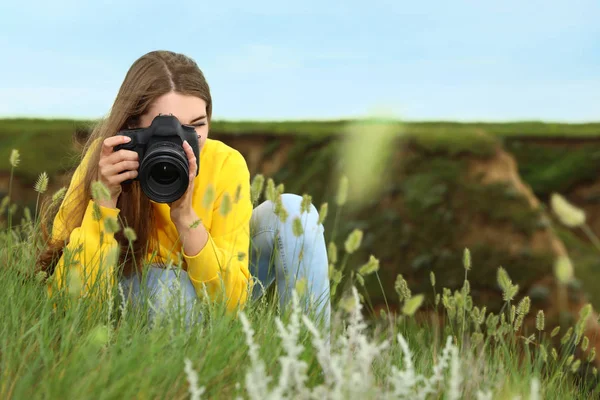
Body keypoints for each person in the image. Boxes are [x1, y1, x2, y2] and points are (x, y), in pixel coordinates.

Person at [36, 50, 330, 332]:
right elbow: (66, 307)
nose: (184, 143)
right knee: (164, 287)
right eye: (167, 129)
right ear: (132, 127)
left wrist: (186, 216)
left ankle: (311, 360)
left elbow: (233, 303)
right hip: (140, 302)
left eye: (196, 126)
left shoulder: (225, 164)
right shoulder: (104, 164)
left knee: (294, 212)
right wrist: (104, 203)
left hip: (213, 301)